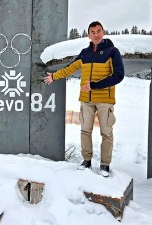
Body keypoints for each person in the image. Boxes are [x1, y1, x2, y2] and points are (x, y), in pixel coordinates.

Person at [44, 21, 124, 177]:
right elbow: (70, 68)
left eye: (99, 31)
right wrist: (54, 76)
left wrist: (94, 85)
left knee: (106, 133)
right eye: (92, 32)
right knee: (85, 130)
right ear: (88, 35)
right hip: (86, 100)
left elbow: (118, 75)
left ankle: (104, 165)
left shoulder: (112, 52)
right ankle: (86, 161)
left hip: (104, 100)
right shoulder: (84, 53)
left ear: (103, 32)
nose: (96, 35)